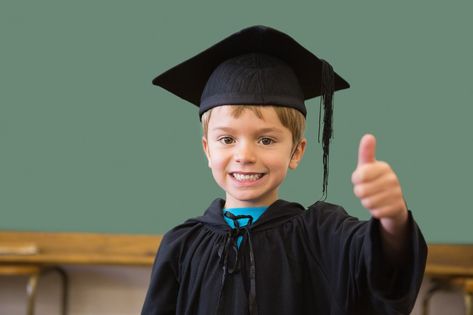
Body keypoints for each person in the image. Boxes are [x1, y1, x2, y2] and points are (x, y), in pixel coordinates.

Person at [141, 25, 427, 315]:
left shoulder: (321, 233)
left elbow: (381, 268)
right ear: (207, 149)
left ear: (296, 151)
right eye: (227, 139)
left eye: (266, 140)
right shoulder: (182, 244)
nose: (244, 155)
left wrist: (392, 219)